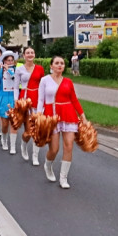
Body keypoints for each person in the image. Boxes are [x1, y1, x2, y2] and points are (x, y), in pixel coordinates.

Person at [38, 56, 87, 189]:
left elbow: (74, 100)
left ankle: (63, 178)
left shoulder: (68, 82)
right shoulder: (45, 80)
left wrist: (82, 116)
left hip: (68, 114)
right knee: (54, 149)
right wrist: (38, 117)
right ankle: (48, 165)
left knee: (69, 145)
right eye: (57, 63)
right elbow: (40, 100)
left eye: (62, 63)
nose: (60, 65)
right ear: (51, 66)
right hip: (51, 114)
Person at [14, 46, 45, 164]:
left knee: (37, 129)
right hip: (25, 99)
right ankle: (23, 144)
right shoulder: (19, 69)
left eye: (32, 52)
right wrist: (16, 101)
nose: (30, 54)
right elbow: (16, 87)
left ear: (35, 54)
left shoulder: (40, 68)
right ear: (24, 55)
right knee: (28, 131)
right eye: (28, 53)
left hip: (37, 99)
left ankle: (35, 156)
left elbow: (44, 85)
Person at [0, 51, 19, 153]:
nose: (10, 62)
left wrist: (10, 71)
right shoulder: (0, 70)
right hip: (3, 98)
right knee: (5, 123)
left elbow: (17, 81)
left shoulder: (16, 70)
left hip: (13, 97)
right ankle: (4, 140)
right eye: (8, 60)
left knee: (14, 123)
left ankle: (13, 146)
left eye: (11, 60)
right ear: (4, 61)